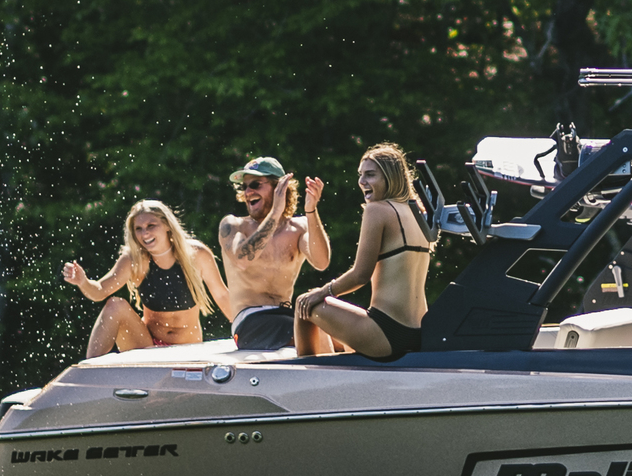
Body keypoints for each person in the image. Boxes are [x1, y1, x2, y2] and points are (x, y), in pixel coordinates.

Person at [295, 144, 434, 361]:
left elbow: (360, 275)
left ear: (390, 177)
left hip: (387, 331)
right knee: (335, 325)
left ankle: (304, 385)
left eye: (370, 175)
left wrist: (323, 291)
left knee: (305, 304)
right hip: (420, 332)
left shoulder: (377, 210)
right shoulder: (419, 212)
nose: (362, 182)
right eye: (360, 175)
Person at [59, 201, 231, 358]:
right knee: (115, 305)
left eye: (151, 225)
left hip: (187, 350)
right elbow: (99, 292)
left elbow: (222, 295)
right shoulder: (134, 260)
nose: (145, 233)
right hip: (147, 347)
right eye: (138, 229)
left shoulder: (196, 254)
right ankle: (90, 372)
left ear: (167, 226)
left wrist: (248, 330)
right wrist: (83, 281)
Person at [217, 157, 333, 351]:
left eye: (255, 185)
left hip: (286, 315)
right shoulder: (233, 225)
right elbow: (242, 260)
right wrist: (276, 212)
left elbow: (321, 262)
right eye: (244, 187)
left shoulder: (299, 227)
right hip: (250, 321)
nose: (248, 192)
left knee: (346, 339)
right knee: (318, 333)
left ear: (280, 188)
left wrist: (311, 210)